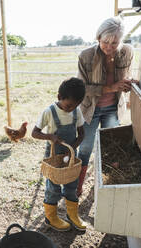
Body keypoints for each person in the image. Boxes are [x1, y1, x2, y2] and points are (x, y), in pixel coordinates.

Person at [76, 17, 135, 197]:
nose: (109, 47)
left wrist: (129, 84)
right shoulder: (86, 56)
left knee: (111, 146)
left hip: (113, 108)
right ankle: (77, 186)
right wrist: (111, 87)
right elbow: (80, 89)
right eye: (105, 42)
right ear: (98, 38)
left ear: (121, 41)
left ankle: (107, 184)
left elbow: (129, 76)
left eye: (114, 43)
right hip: (90, 109)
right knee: (85, 148)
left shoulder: (127, 52)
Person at [32, 77, 86, 231]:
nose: (71, 109)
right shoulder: (49, 112)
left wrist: (72, 149)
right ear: (59, 97)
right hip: (54, 155)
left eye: (75, 106)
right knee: (53, 186)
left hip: (70, 155)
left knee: (71, 184)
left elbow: (81, 134)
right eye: (68, 105)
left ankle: (72, 215)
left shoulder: (76, 111)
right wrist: (50, 137)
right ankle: (51, 217)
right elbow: (34, 133)